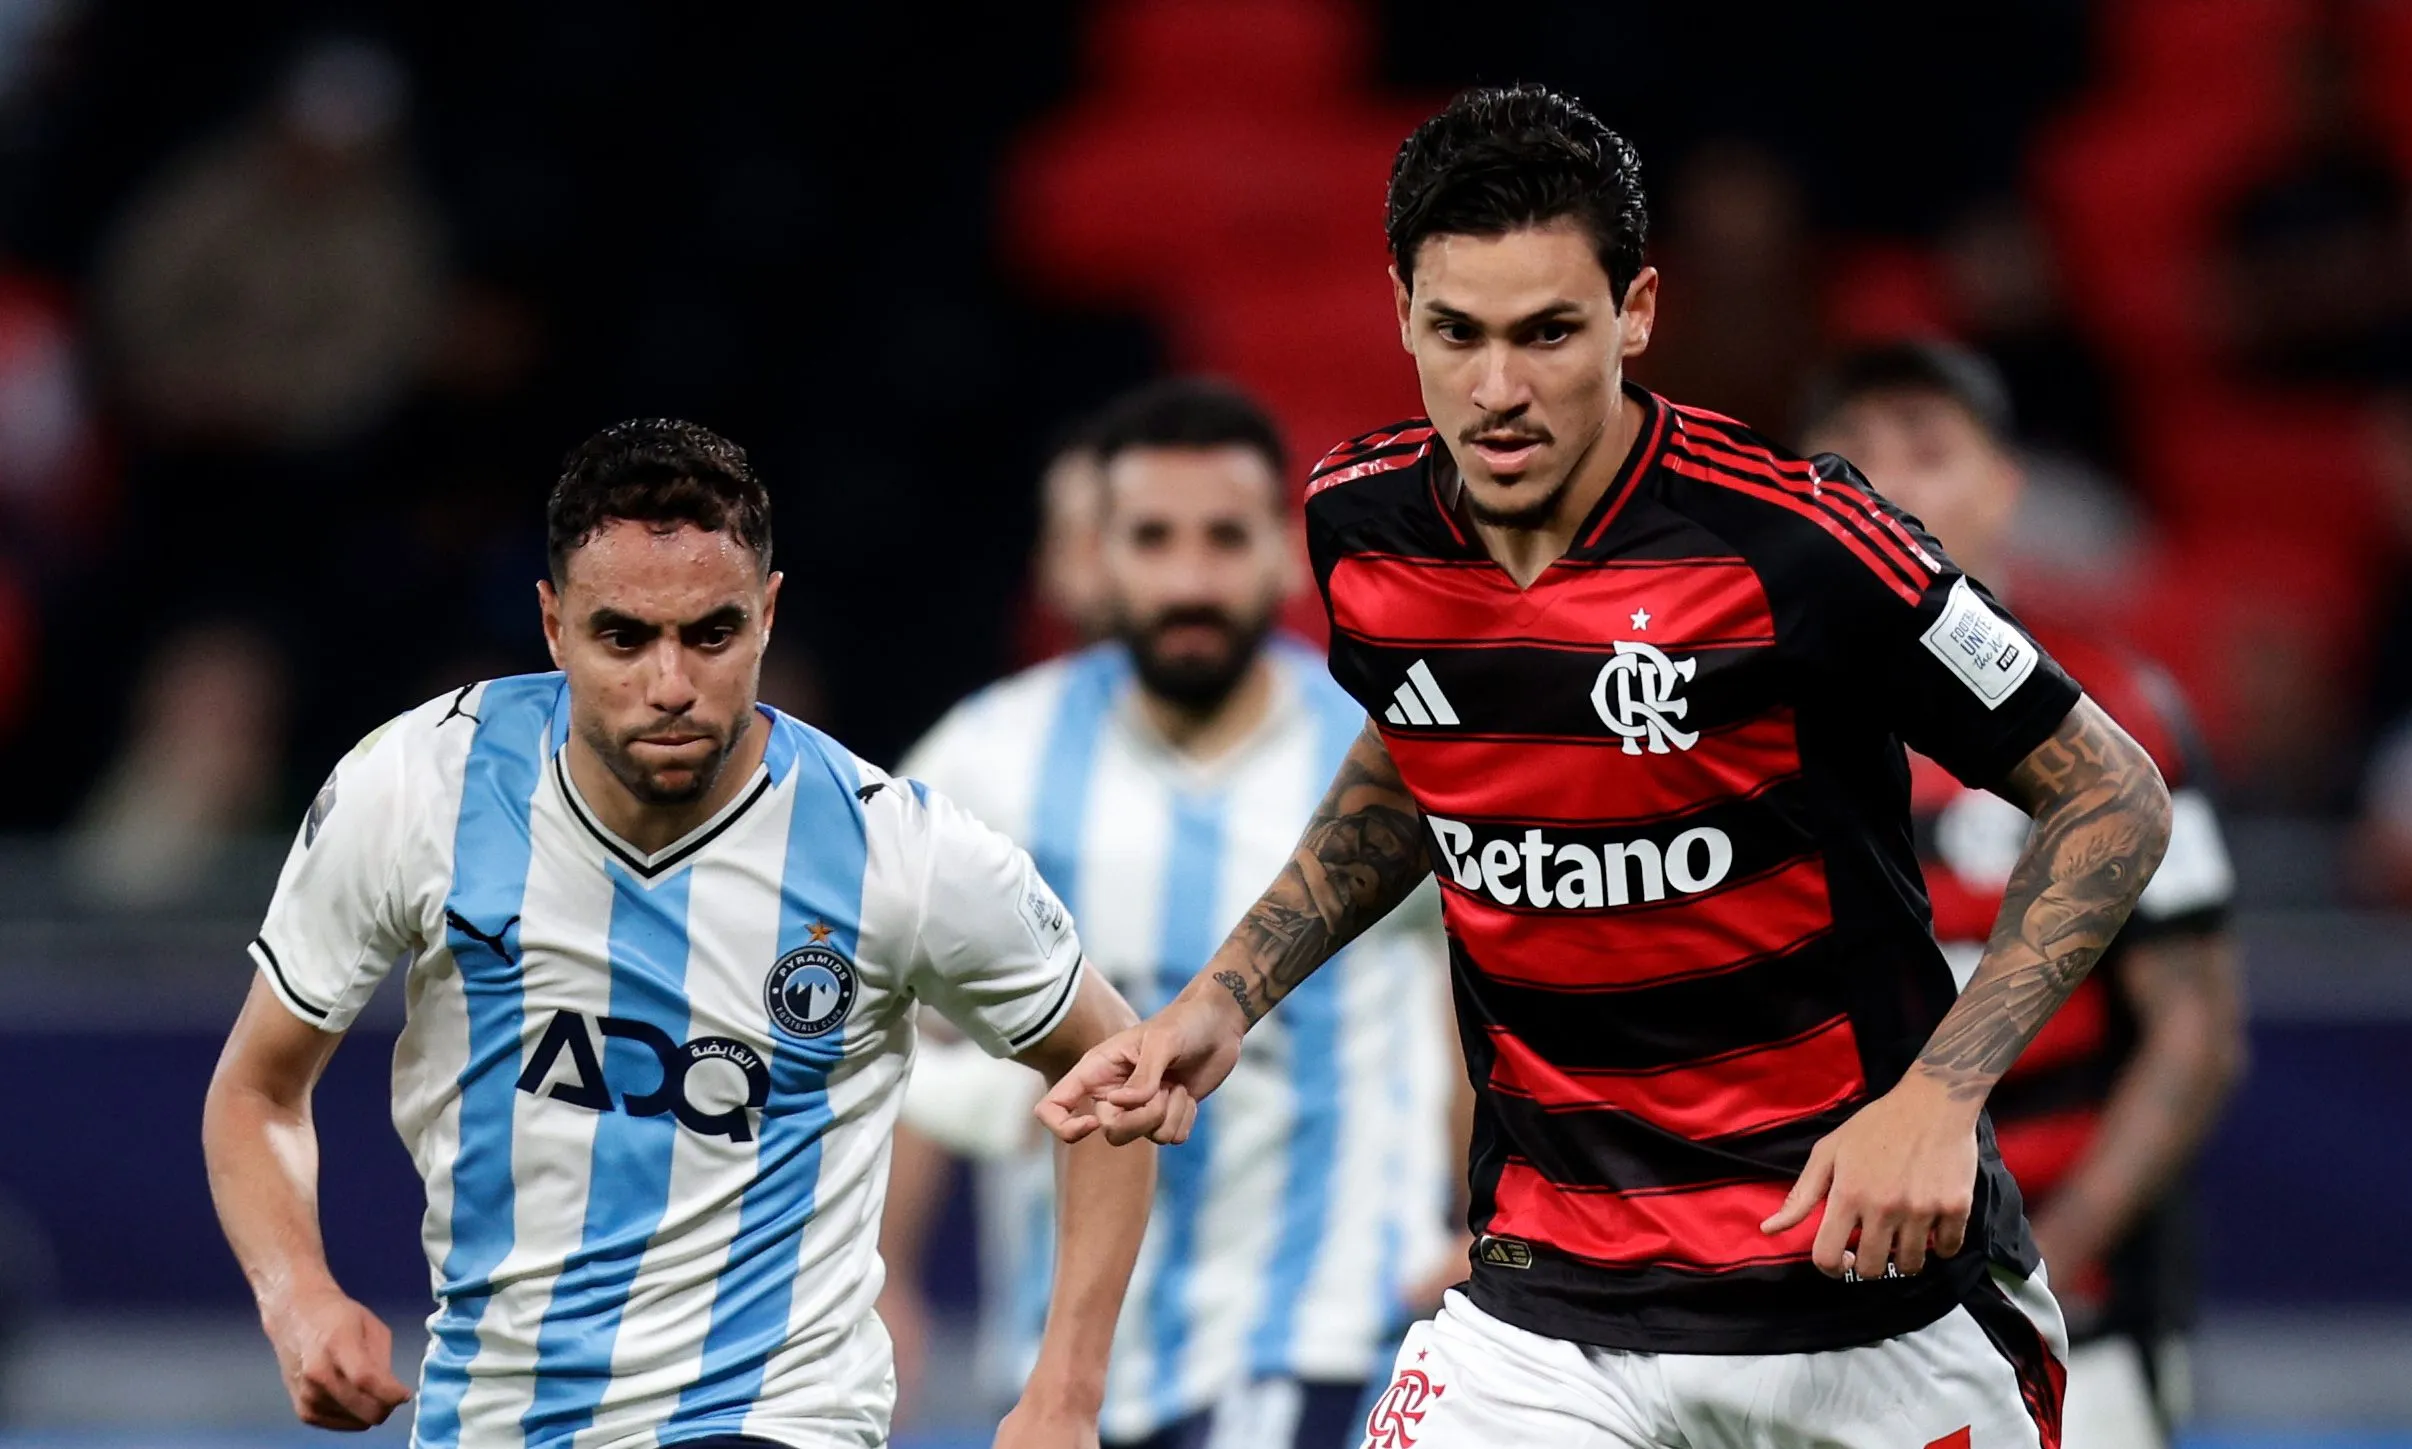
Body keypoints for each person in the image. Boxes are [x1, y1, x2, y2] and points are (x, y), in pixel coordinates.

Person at [1042, 84, 2180, 1449]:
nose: (1498, 390)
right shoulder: (1362, 526)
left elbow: (2112, 790)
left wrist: (1939, 1097)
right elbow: (1421, 752)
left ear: (1636, 314)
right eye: (1456, 333)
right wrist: (1224, 996)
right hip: (1546, 1312)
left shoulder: (1799, 542)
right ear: (1399, 306)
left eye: (1549, 333)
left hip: (1860, 1306)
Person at [201, 419, 1156, 1449]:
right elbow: (257, 1088)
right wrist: (297, 1296)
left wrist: (1065, 1391)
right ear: (553, 623)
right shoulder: (418, 790)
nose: (670, 684)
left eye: (711, 634)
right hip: (494, 1418)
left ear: (768, 616)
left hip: (779, 1419)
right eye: (624, 637)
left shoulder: (896, 851)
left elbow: (1118, 1070)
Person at [880, 379, 1460, 1449]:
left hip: (1328, 1338)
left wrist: (1492, 1224)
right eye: (1153, 539)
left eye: (1224, 538)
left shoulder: (1381, 760)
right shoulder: (993, 752)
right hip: (1061, 1358)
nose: (1191, 578)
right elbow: (886, 1014)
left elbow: (1492, 995)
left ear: (1286, 553)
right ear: (1101, 557)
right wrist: (888, 1275)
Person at [1802, 341, 2247, 1449]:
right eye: (1850, 453)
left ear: (2003, 486)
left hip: (2065, 1322)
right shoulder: (1727, 725)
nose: (1888, 483)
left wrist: (2046, 1250)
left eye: (1927, 448)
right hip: (1798, 1315)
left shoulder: (2114, 721)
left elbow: (2191, 1031)